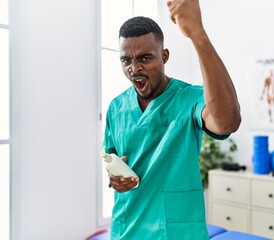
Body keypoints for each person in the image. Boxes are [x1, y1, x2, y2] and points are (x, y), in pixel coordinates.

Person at [103, 0, 241, 239]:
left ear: (164, 56)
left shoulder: (190, 98)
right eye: (126, 60)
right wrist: (115, 178)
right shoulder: (116, 107)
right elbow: (112, 159)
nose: (134, 69)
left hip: (177, 231)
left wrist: (197, 34)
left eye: (145, 58)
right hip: (126, 231)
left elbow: (227, 122)